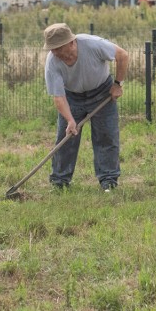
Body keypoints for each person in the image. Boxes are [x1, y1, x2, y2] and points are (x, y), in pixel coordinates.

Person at [43, 23, 129, 192]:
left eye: (58, 49)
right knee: (65, 139)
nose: (55, 53)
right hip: (72, 98)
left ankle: (108, 180)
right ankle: (60, 182)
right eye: (52, 49)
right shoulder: (53, 62)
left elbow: (122, 55)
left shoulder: (93, 44)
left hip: (102, 93)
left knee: (106, 137)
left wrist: (118, 84)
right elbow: (59, 97)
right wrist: (70, 120)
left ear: (71, 43)